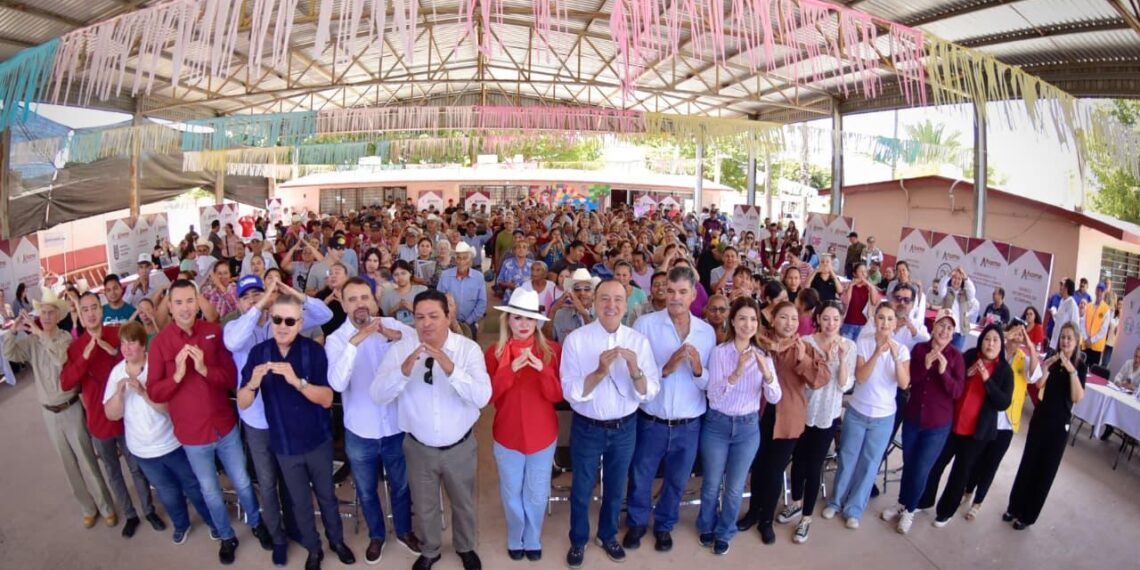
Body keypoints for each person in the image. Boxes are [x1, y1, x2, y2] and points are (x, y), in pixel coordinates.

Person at [146, 279, 271, 564]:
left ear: (198, 301)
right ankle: (226, 536)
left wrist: (203, 368)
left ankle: (256, 522)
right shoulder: (160, 343)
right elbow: (154, 391)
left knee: (241, 480)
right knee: (210, 490)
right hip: (192, 435)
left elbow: (230, 380)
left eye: (190, 300)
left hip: (224, 427)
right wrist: (177, 375)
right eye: (178, 302)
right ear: (170, 306)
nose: (185, 308)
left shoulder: (214, 332)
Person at [371, 290, 492, 570]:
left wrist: (450, 368)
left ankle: (465, 547)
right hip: (418, 447)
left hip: (459, 446)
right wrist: (403, 370)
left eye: (434, 316)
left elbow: (482, 396)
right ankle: (430, 550)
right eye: (420, 317)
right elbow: (377, 394)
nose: (426, 323)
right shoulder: (401, 350)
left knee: (463, 503)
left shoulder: (467, 350)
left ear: (448, 317)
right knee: (424, 507)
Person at [238, 296, 356, 570]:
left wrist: (297, 382)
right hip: (283, 444)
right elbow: (243, 402)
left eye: (290, 321)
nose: (282, 326)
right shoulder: (259, 353)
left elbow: (327, 398)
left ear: (300, 323)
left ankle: (336, 541)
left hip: (317, 441)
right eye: (277, 319)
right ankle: (313, 549)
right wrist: (253, 383)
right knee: (300, 502)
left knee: (327, 496)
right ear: (270, 319)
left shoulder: (313, 352)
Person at [223, 274, 334, 564]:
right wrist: (259, 307)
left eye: (258, 293)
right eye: (247, 296)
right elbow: (234, 341)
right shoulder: (237, 327)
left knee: (292, 482)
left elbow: (326, 313)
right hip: (258, 421)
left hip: (289, 416)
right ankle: (277, 536)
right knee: (268, 481)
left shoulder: (282, 321)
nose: (254, 299)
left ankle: (299, 531)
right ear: (238, 301)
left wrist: (291, 293)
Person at [560, 279, 661, 568]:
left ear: (626, 302)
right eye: (605, 299)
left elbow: (650, 391)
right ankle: (578, 540)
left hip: (625, 427)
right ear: (593, 301)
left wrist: (635, 369)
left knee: (617, 487)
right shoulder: (577, 340)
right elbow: (570, 392)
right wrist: (599, 372)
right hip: (587, 427)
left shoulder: (637, 342)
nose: (611, 305)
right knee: (581, 489)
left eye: (618, 299)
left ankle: (607, 535)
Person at [326, 278, 420, 564]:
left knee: (401, 485)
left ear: (374, 299)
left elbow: (419, 341)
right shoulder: (336, 340)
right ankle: (377, 535)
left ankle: (404, 531)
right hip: (360, 432)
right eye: (352, 299)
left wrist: (392, 335)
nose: (360, 304)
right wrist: (355, 343)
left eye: (365, 297)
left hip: (395, 426)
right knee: (366, 490)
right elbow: (337, 382)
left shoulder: (392, 324)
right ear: (343, 304)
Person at [4, 290, 115, 528]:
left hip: (71, 408)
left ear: (58, 316)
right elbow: (10, 353)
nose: (44, 317)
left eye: (49, 313)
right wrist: (14, 330)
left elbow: (61, 360)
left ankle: (106, 506)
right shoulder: (32, 342)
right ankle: (87, 508)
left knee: (87, 461)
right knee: (68, 466)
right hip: (49, 412)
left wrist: (39, 334)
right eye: (42, 312)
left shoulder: (65, 338)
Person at [625, 267, 715, 552]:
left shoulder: (706, 331)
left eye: (682, 292)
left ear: (693, 295)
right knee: (641, 474)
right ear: (663, 292)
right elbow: (637, 375)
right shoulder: (645, 325)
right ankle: (637, 522)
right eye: (671, 291)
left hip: (689, 423)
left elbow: (708, 384)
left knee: (677, 480)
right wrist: (669, 365)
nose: (675, 297)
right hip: (653, 419)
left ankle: (664, 525)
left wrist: (699, 369)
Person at [103, 321, 217, 545]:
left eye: (132, 342)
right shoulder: (116, 373)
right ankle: (181, 525)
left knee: (193, 486)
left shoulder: (157, 366)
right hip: (142, 450)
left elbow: (169, 409)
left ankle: (213, 521)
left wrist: (143, 393)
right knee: (167, 493)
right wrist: (118, 393)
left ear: (143, 344)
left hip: (172, 443)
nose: (127, 348)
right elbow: (112, 415)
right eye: (123, 343)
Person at [61, 293, 161, 538]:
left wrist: (111, 350)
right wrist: (86, 356)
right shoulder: (75, 347)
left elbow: (136, 357)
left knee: (136, 468)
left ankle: (148, 510)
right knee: (114, 473)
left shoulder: (117, 335)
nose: (91, 313)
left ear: (101, 309)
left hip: (127, 418)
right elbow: (66, 383)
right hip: (98, 421)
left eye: (95, 307)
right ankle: (130, 515)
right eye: (85, 310)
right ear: (80, 315)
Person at [736, 301, 828, 544]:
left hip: (788, 417)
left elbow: (820, 379)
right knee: (758, 467)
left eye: (794, 319)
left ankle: (766, 520)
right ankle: (753, 512)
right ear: (773, 319)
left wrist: (803, 360)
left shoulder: (803, 347)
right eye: (784, 317)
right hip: (758, 414)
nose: (789, 323)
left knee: (775, 470)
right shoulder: (761, 340)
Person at [698, 297, 781, 554]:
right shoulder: (720, 352)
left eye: (753, 319)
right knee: (711, 484)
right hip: (717, 425)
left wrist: (766, 374)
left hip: (747, 428)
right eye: (742, 318)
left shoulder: (764, 355)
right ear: (732, 320)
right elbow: (714, 397)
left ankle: (725, 530)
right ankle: (707, 525)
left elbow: (775, 396)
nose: (748, 324)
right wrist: (736, 373)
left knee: (734, 488)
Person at [485, 290, 563, 562]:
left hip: (542, 435)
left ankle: (532, 536)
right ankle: (514, 534)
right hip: (507, 435)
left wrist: (543, 370)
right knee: (511, 491)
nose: (523, 324)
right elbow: (489, 397)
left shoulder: (552, 350)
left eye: (529, 319)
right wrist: (509, 370)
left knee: (537, 492)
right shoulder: (494, 352)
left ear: (537, 322)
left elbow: (556, 396)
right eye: (517, 318)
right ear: (508, 320)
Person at [918, 323, 1014, 528]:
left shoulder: (1004, 370)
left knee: (960, 473)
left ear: (1001, 345)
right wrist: (967, 375)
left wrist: (988, 380)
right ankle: (924, 500)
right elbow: (952, 382)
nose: (990, 343)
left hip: (976, 433)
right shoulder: (970, 356)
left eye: (996, 340)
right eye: (987, 339)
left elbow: (1003, 402)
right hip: (952, 424)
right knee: (936, 464)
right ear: (981, 341)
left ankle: (945, 512)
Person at [824, 302, 911, 528]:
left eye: (890, 319)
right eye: (881, 318)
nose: (885, 323)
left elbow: (904, 383)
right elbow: (860, 377)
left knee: (870, 464)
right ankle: (835, 502)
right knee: (847, 458)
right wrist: (876, 352)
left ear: (895, 323)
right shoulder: (862, 344)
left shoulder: (901, 350)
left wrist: (892, 355)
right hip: (858, 412)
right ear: (874, 320)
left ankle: (854, 509)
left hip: (883, 418)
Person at [880, 309, 965, 534]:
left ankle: (910, 509)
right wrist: (925, 365)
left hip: (937, 425)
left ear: (953, 332)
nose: (944, 331)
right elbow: (908, 382)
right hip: (913, 418)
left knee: (921, 468)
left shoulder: (956, 357)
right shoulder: (919, 349)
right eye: (941, 325)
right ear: (933, 327)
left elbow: (957, 391)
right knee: (909, 463)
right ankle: (902, 503)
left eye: (949, 328)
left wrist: (944, 372)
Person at [779, 301, 855, 543]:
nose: (830, 323)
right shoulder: (807, 342)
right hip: (803, 411)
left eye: (835, 319)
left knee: (814, 467)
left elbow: (845, 385)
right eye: (825, 318)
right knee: (798, 463)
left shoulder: (849, 346)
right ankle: (796, 503)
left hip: (827, 415)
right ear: (818, 319)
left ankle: (807, 519)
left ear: (841, 320)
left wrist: (841, 360)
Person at [1005, 321, 1086, 529]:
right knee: (1028, 463)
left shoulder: (1080, 366)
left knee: (1044, 471)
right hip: (1041, 419)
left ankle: (1027, 515)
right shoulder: (1053, 358)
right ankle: (1014, 506)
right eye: (1063, 337)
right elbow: (1039, 384)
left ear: (1076, 342)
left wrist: (1071, 371)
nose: (1065, 341)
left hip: (1059, 427)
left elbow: (1077, 397)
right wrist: (1046, 366)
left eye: (1069, 338)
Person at [963, 318, 1042, 520]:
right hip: (986, 417)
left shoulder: (1023, 359)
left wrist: (1029, 344)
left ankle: (978, 502)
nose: (1017, 336)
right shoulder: (996, 353)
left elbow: (1035, 376)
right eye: (1014, 331)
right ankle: (968, 491)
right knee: (976, 459)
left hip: (1007, 423)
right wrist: (1006, 337)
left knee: (991, 464)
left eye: (1021, 334)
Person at [436, 242, 487, 339]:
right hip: (447, 323)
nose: (461, 261)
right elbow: (439, 300)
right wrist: (451, 321)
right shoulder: (445, 275)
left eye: (464, 258)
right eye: (459, 258)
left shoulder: (478, 277)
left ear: (470, 260)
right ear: (455, 260)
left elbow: (482, 303)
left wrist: (468, 322)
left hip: (469, 323)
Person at [933, 268, 979, 351]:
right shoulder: (946, 291)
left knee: (954, 357)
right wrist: (949, 275)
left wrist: (965, 277)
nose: (956, 280)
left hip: (959, 332)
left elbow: (972, 291)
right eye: (954, 278)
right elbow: (941, 287)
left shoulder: (966, 293)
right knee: (940, 353)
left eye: (959, 279)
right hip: (945, 330)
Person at [551, 269, 598, 342]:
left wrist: (584, 313)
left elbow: (597, 340)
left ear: (594, 294)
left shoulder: (601, 315)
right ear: (571, 293)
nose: (582, 293)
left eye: (587, 289)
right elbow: (547, 339)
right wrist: (553, 311)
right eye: (577, 289)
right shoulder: (561, 314)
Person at [381, 260, 428, 327]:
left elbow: (430, 313)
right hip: (396, 333)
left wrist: (414, 309)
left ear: (410, 273)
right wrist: (395, 309)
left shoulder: (422, 290)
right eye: (396, 275)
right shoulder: (387, 295)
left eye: (403, 273)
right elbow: (384, 320)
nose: (400, 277)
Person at [840, 262, 880, 340]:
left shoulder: (869, 287)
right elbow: (846, 301)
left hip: (863, 324)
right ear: (854, 274)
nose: (863, 274)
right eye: (860, 271)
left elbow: (874, 301)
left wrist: (870, 285)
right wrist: (851, 285)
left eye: (865, 272)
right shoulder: (848, 285)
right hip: (848, 322)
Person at [1082, 283, 1112, 366]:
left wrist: (1091, 340)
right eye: (1098, 290)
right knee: (1082, 367)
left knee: (1092, 371)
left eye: (1101, 291)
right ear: (1095, 291)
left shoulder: (1106, 309)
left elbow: (1104, 329)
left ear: (1104, 293)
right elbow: (1083, 323)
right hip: (1085, 344)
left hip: (1096, 346)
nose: (1099, 293)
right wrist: (1086, 338)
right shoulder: (1088, 306)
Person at [1048, 278, 1080, 352]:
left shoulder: (1072, 304)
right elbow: (1059, 319)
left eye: (1062, 285)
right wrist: (1054, 312)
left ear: (1066, 288)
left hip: (1064, 344)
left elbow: (1075, 325)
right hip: (1055, 340)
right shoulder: (1062, 301)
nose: (1060, 287)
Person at [614, 261, 648, 326]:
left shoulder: (640, 294)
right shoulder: (609, 293)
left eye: (624, 275)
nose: (621, 278)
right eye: (618, 274)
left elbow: (645, 316)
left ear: (630, 277)